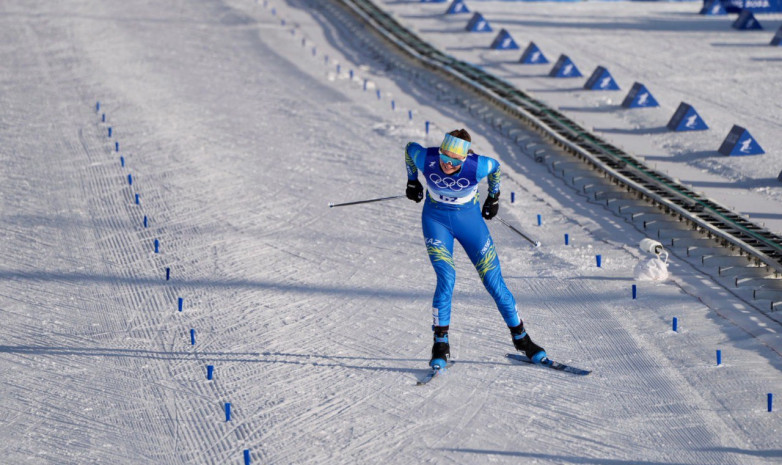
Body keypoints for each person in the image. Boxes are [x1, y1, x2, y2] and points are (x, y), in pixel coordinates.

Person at [404, 129, 546, 369]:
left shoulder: (478, 166)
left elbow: (497, 167)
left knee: (493, 280)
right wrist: (412, 180)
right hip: (436, 221)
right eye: (444, 157)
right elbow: (409, 148)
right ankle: (440, 344)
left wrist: (494, 197)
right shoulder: (426, 158)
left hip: (469, 221)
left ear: (465, 157)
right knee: (447, 277)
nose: (447, 164)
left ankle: (522, 338)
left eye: (454, 160)